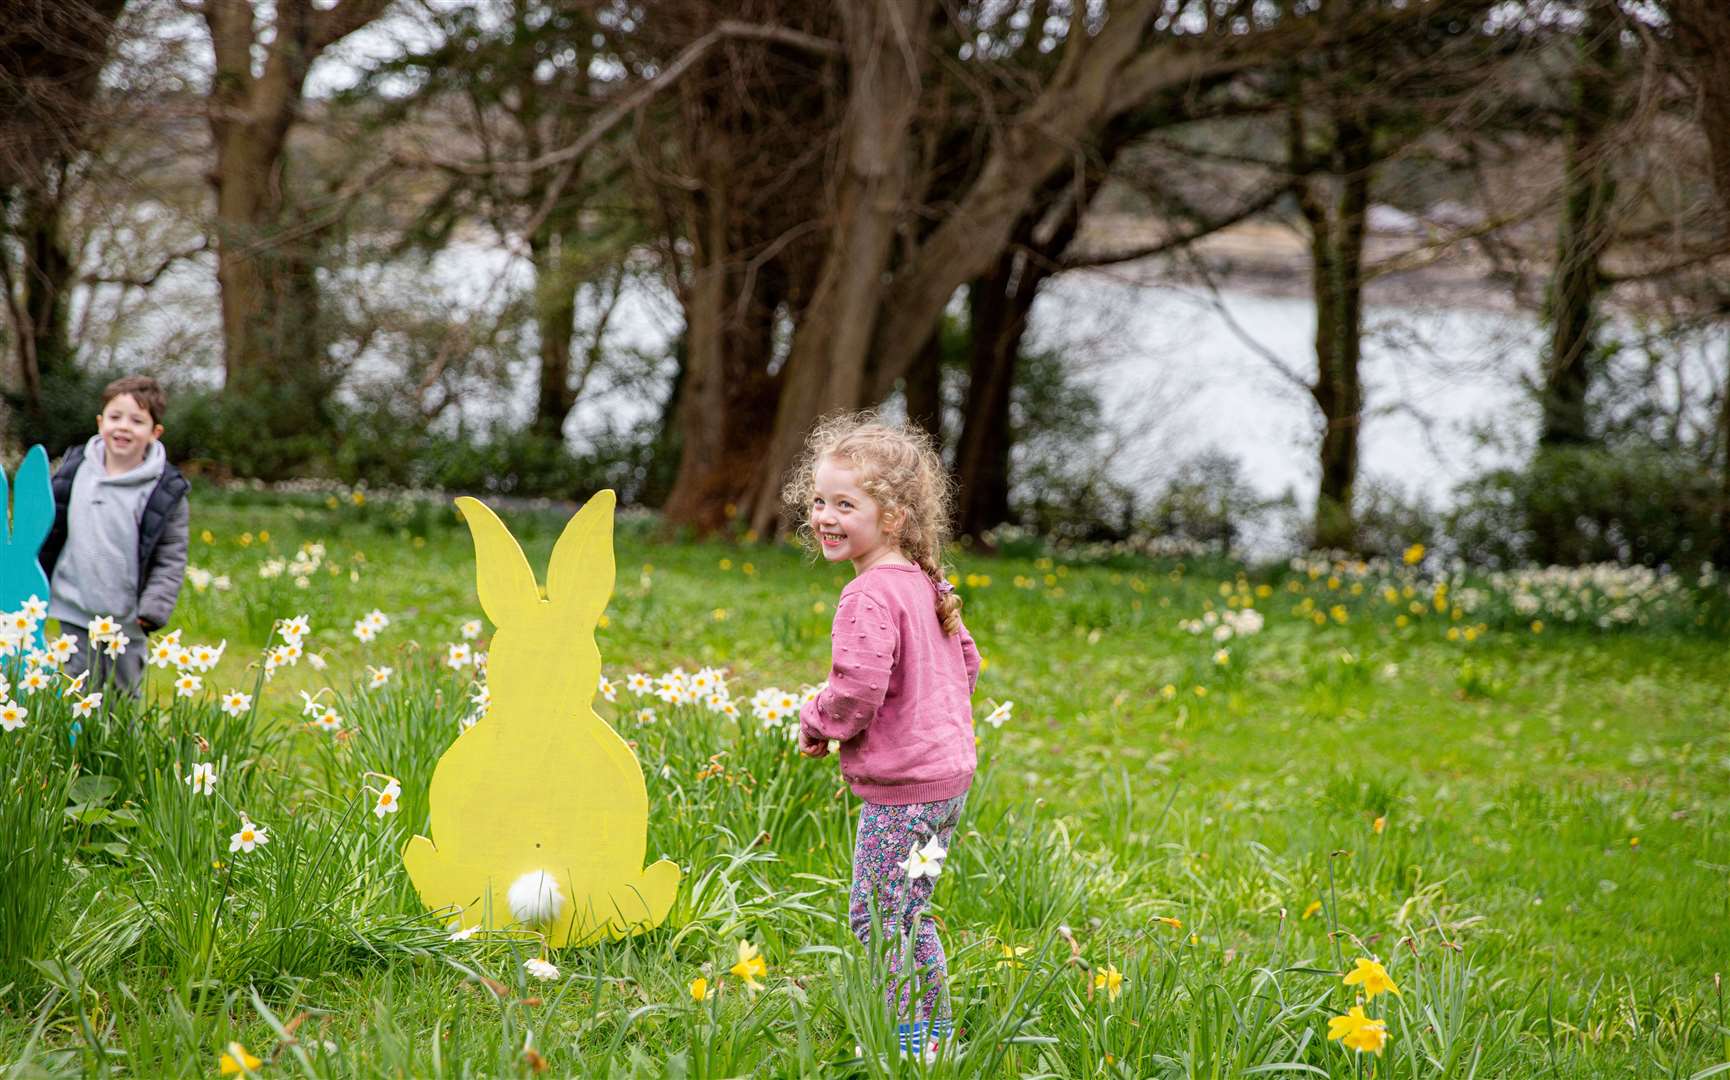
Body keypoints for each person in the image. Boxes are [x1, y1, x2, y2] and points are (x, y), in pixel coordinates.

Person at [792, 412, 981, 1060]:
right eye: (819, 500)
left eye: (846, 503)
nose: (825, 516)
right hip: (946, 789)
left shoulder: (869, 595)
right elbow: (968, 663)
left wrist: (816, 718)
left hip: (903, 799)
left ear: (893, 517)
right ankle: (935, 1039)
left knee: (876, 917)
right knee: (909, 910)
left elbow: (859, 689)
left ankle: (908, 1046)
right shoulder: (926, 584)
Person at [40, 375, 190, 694]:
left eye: (137, 420)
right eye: (115, 417)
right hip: (75, 606)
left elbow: (171, 556)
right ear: (100, 422)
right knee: (74, 690)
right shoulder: (75, 469)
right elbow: (49, 528)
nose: (123, 427)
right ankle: (73, 746)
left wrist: (154, 608)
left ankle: (118, 746)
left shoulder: (164, 491)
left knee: (120, 698)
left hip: (128, 618)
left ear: (154, 432)